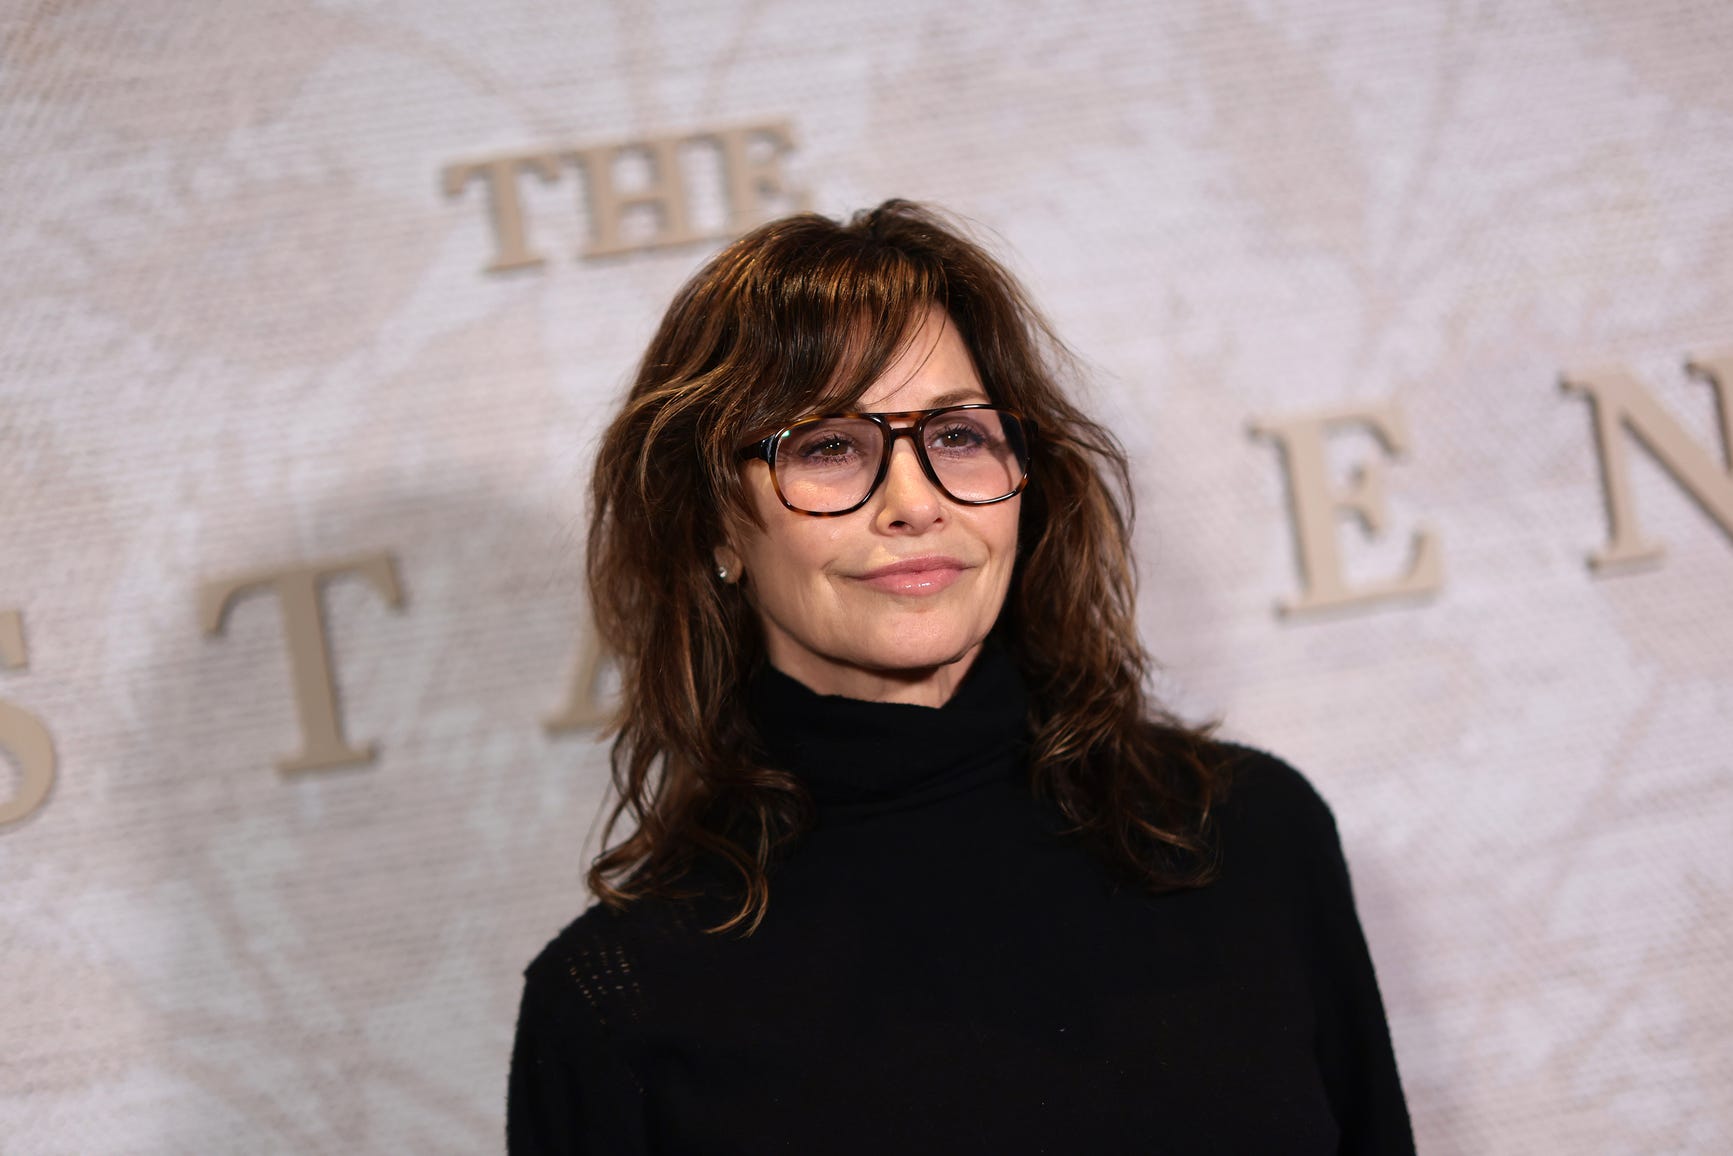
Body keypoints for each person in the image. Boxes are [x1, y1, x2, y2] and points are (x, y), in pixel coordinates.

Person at [507, 200, 1414, 1154]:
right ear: (714, 525)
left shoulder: (1247, 834)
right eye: (827, 445)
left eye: (956, 436)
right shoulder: (616, 1004)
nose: (914, 503)